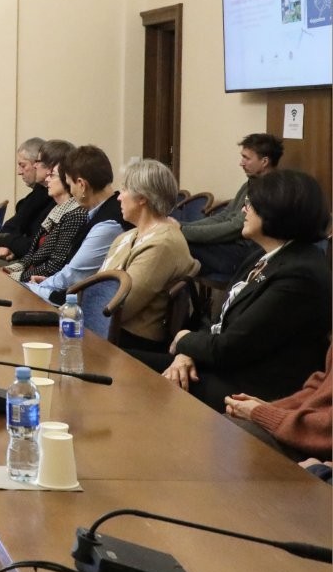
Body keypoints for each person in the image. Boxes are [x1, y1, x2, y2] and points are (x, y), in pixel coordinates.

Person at [141, 169, 331, 411]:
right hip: (219, 366)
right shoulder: (262, 255)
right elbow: (216, 323)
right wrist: (186, 353)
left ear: (276, 210)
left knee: (135, 380)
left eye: (251, 204)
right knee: (122, 361)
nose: (243, 210)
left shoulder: (300, 274)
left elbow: (231, 348)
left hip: (252, 390)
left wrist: (184, 340)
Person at [91, 159, 196, 351]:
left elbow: (121, 307)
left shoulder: (163, 244)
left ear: (142, 198)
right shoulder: (127, 236)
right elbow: (97, 288)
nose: (118, 197)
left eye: (124, 190)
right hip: (106, 330)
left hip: (130, 342)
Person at [26, 144, 130, 302]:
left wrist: (39, 286)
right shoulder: (102, 211)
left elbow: (75, 274)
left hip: (80, 303)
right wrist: (50, 281)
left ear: (81, 185)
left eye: (70, 185)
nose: (70, 191)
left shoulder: (108, 224)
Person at [174, 133, 281, 278]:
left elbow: (235, 227)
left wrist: (182, 231)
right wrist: (182, 226)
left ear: (264, 161)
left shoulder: (270, 190)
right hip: (231, 246)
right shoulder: (249, 184)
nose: (241, 163)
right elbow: (224, 216)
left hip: (246, 255)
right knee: (176, 247)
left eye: (247, 158)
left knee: (178, 245)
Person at [225, 345, 331, 462]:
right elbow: (323, 385)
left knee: (235, 433)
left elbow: (327, 432)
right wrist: (273, 408)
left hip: (318, 445)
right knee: (230, 425)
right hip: (308, 427)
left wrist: (262, 414)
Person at [4, 161, 87, 283]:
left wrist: (17, 277)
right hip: (30, 275)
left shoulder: (76, 215)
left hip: (41, 282)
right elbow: (33, 253)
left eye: (52, 175)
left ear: (66, 181)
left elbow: (54, 265)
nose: (47, 179)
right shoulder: (56, 209)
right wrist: (10, 270)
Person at [0, 138, 57, 258]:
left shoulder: (60, 205)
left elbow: (36, 247)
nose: (19, 172)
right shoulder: (39, 193)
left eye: (23, 165)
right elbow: (13, 227)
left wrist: (4, 242)